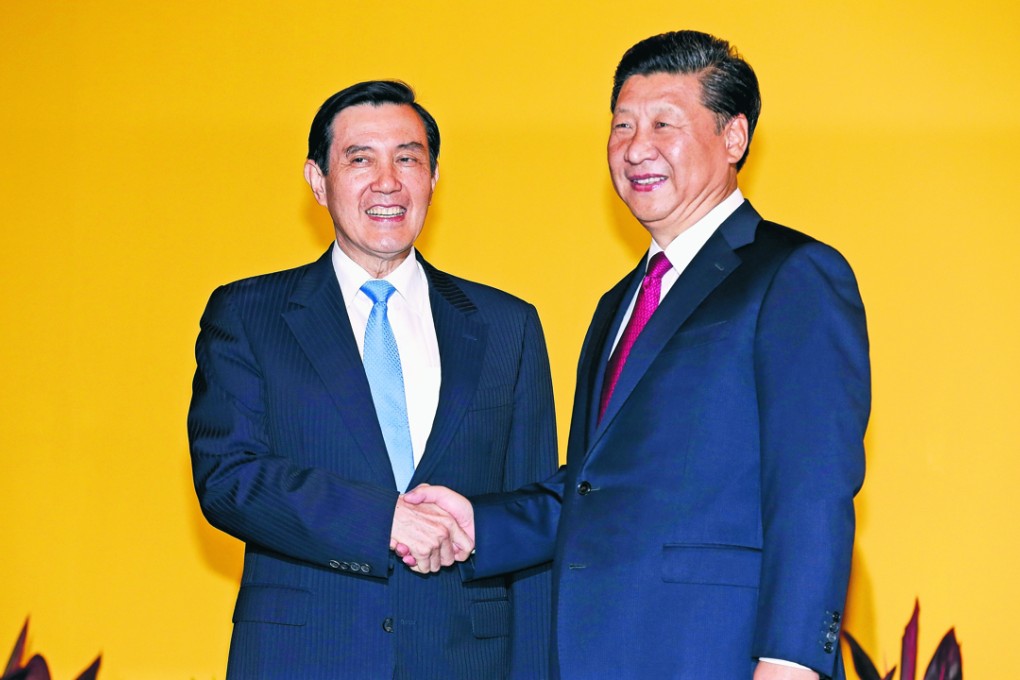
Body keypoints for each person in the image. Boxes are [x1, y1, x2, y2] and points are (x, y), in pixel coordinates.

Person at [402, 30, 870, 679]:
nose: (635, 147)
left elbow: (812, 487)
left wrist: (792, 660)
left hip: (716, 657)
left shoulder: (791, 275)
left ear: (733, 138)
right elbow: (597, 488)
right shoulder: (621, 301)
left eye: (663, 123)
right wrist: (479, 523)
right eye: (622, 125)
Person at [188, 80, 556, 679]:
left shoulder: (505, 324)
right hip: (303, 658)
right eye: (360, 159)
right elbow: (229, 476)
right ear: (317, 179)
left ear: (433, 177)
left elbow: (535, 512)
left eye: (408, 158)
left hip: (466, 660)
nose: (388, 181)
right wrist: (383, 519)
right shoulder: (249, 314)